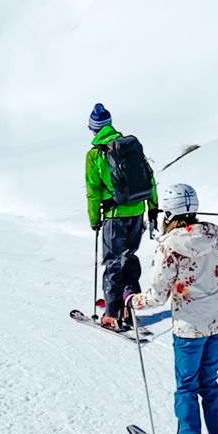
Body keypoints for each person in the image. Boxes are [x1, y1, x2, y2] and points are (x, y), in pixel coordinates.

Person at [127, 182, 218, 434]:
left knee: (187, 387)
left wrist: (132, 301)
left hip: (189, 328)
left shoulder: (169, 245)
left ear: (169, 211)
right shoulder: (213, 236)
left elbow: (157, 295)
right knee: (209, 383)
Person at [84, 103, 158, 329]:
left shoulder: (95, 154)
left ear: (93, 128)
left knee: (113, 262)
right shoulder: (130, 146)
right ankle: (131, 306)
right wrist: (153, 207)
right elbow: (149, 177)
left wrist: (94, 219)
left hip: (114, 215)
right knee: (129, 257)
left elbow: (93, 191)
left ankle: (112, 312)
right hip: (137, 211)